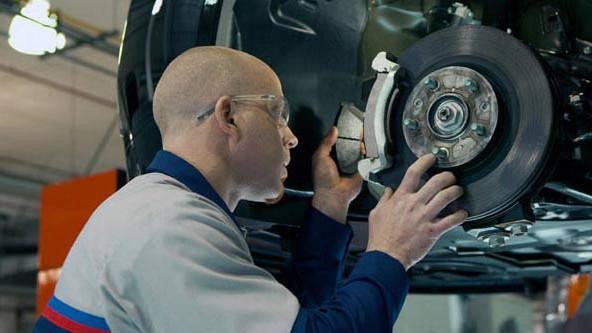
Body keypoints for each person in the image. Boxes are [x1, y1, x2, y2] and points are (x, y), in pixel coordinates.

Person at [33, 46, 467, 332]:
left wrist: (329, 208)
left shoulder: (162, 210)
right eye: (277, 113)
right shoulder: (166, 227)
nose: (291, 137)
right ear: (229, 117)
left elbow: (289, 314)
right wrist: (392, 252)